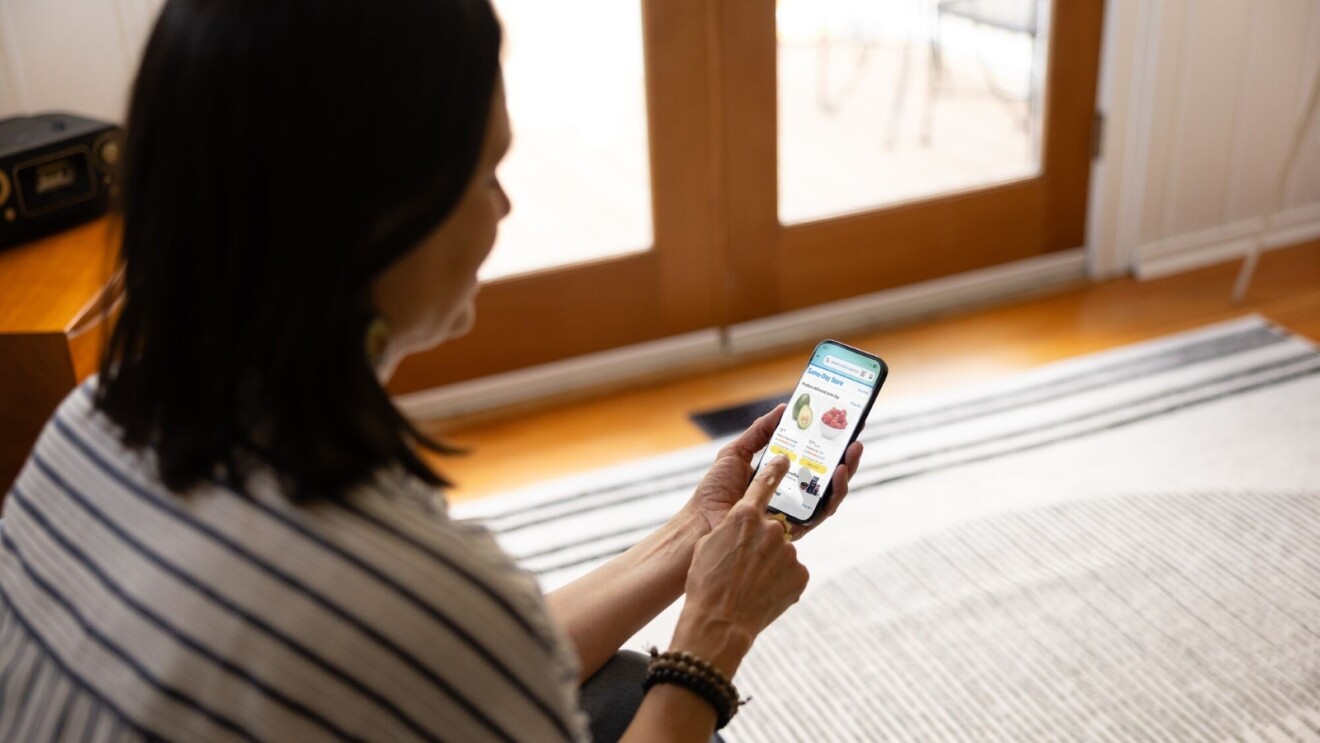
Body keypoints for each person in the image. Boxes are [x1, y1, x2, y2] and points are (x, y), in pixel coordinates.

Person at [0, 0, 864, 740]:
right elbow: (453, 635)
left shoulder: (95, 418)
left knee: (618, 688)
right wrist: (712, 639)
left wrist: (692, 539)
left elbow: (485, 654)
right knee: (654, 690)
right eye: (485, 169)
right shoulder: (395, 583)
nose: (504, 206)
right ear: (374, 214)